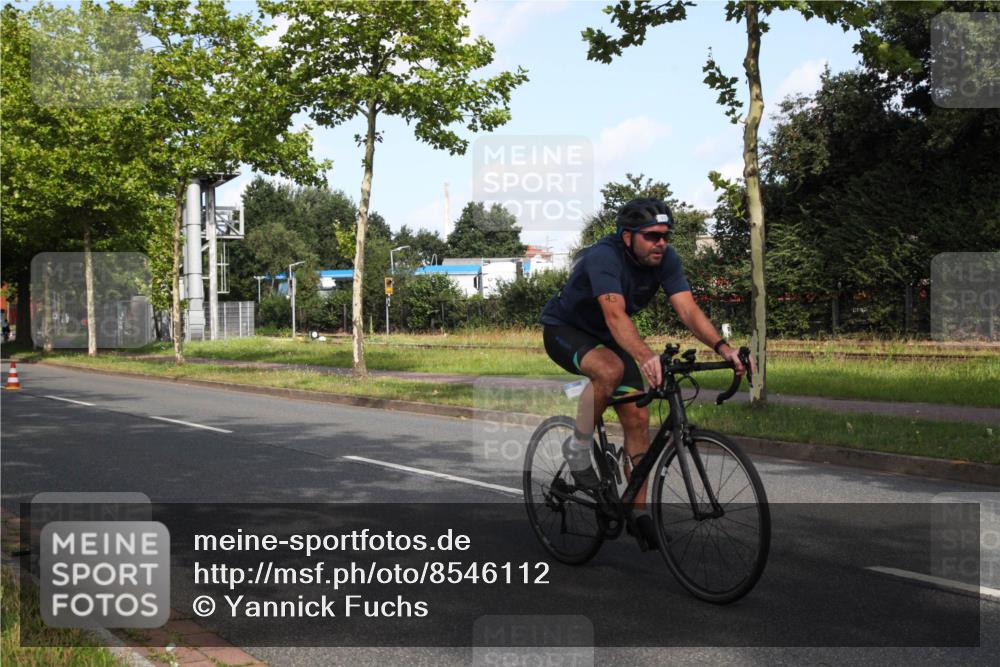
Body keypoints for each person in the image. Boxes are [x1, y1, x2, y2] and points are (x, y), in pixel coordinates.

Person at [540, 197, 748, 545]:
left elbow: (688, 310)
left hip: (609, 336)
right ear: (627, 237)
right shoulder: (603, 257)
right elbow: (615, 315)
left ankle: (637, 511)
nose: (661, 243)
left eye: (665, 235)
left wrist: (722, 348)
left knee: (638, 418)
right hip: (565, 330)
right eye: (651, 236)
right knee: (609, 370)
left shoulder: (666, 259)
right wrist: (646, 356)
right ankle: (577, 449)